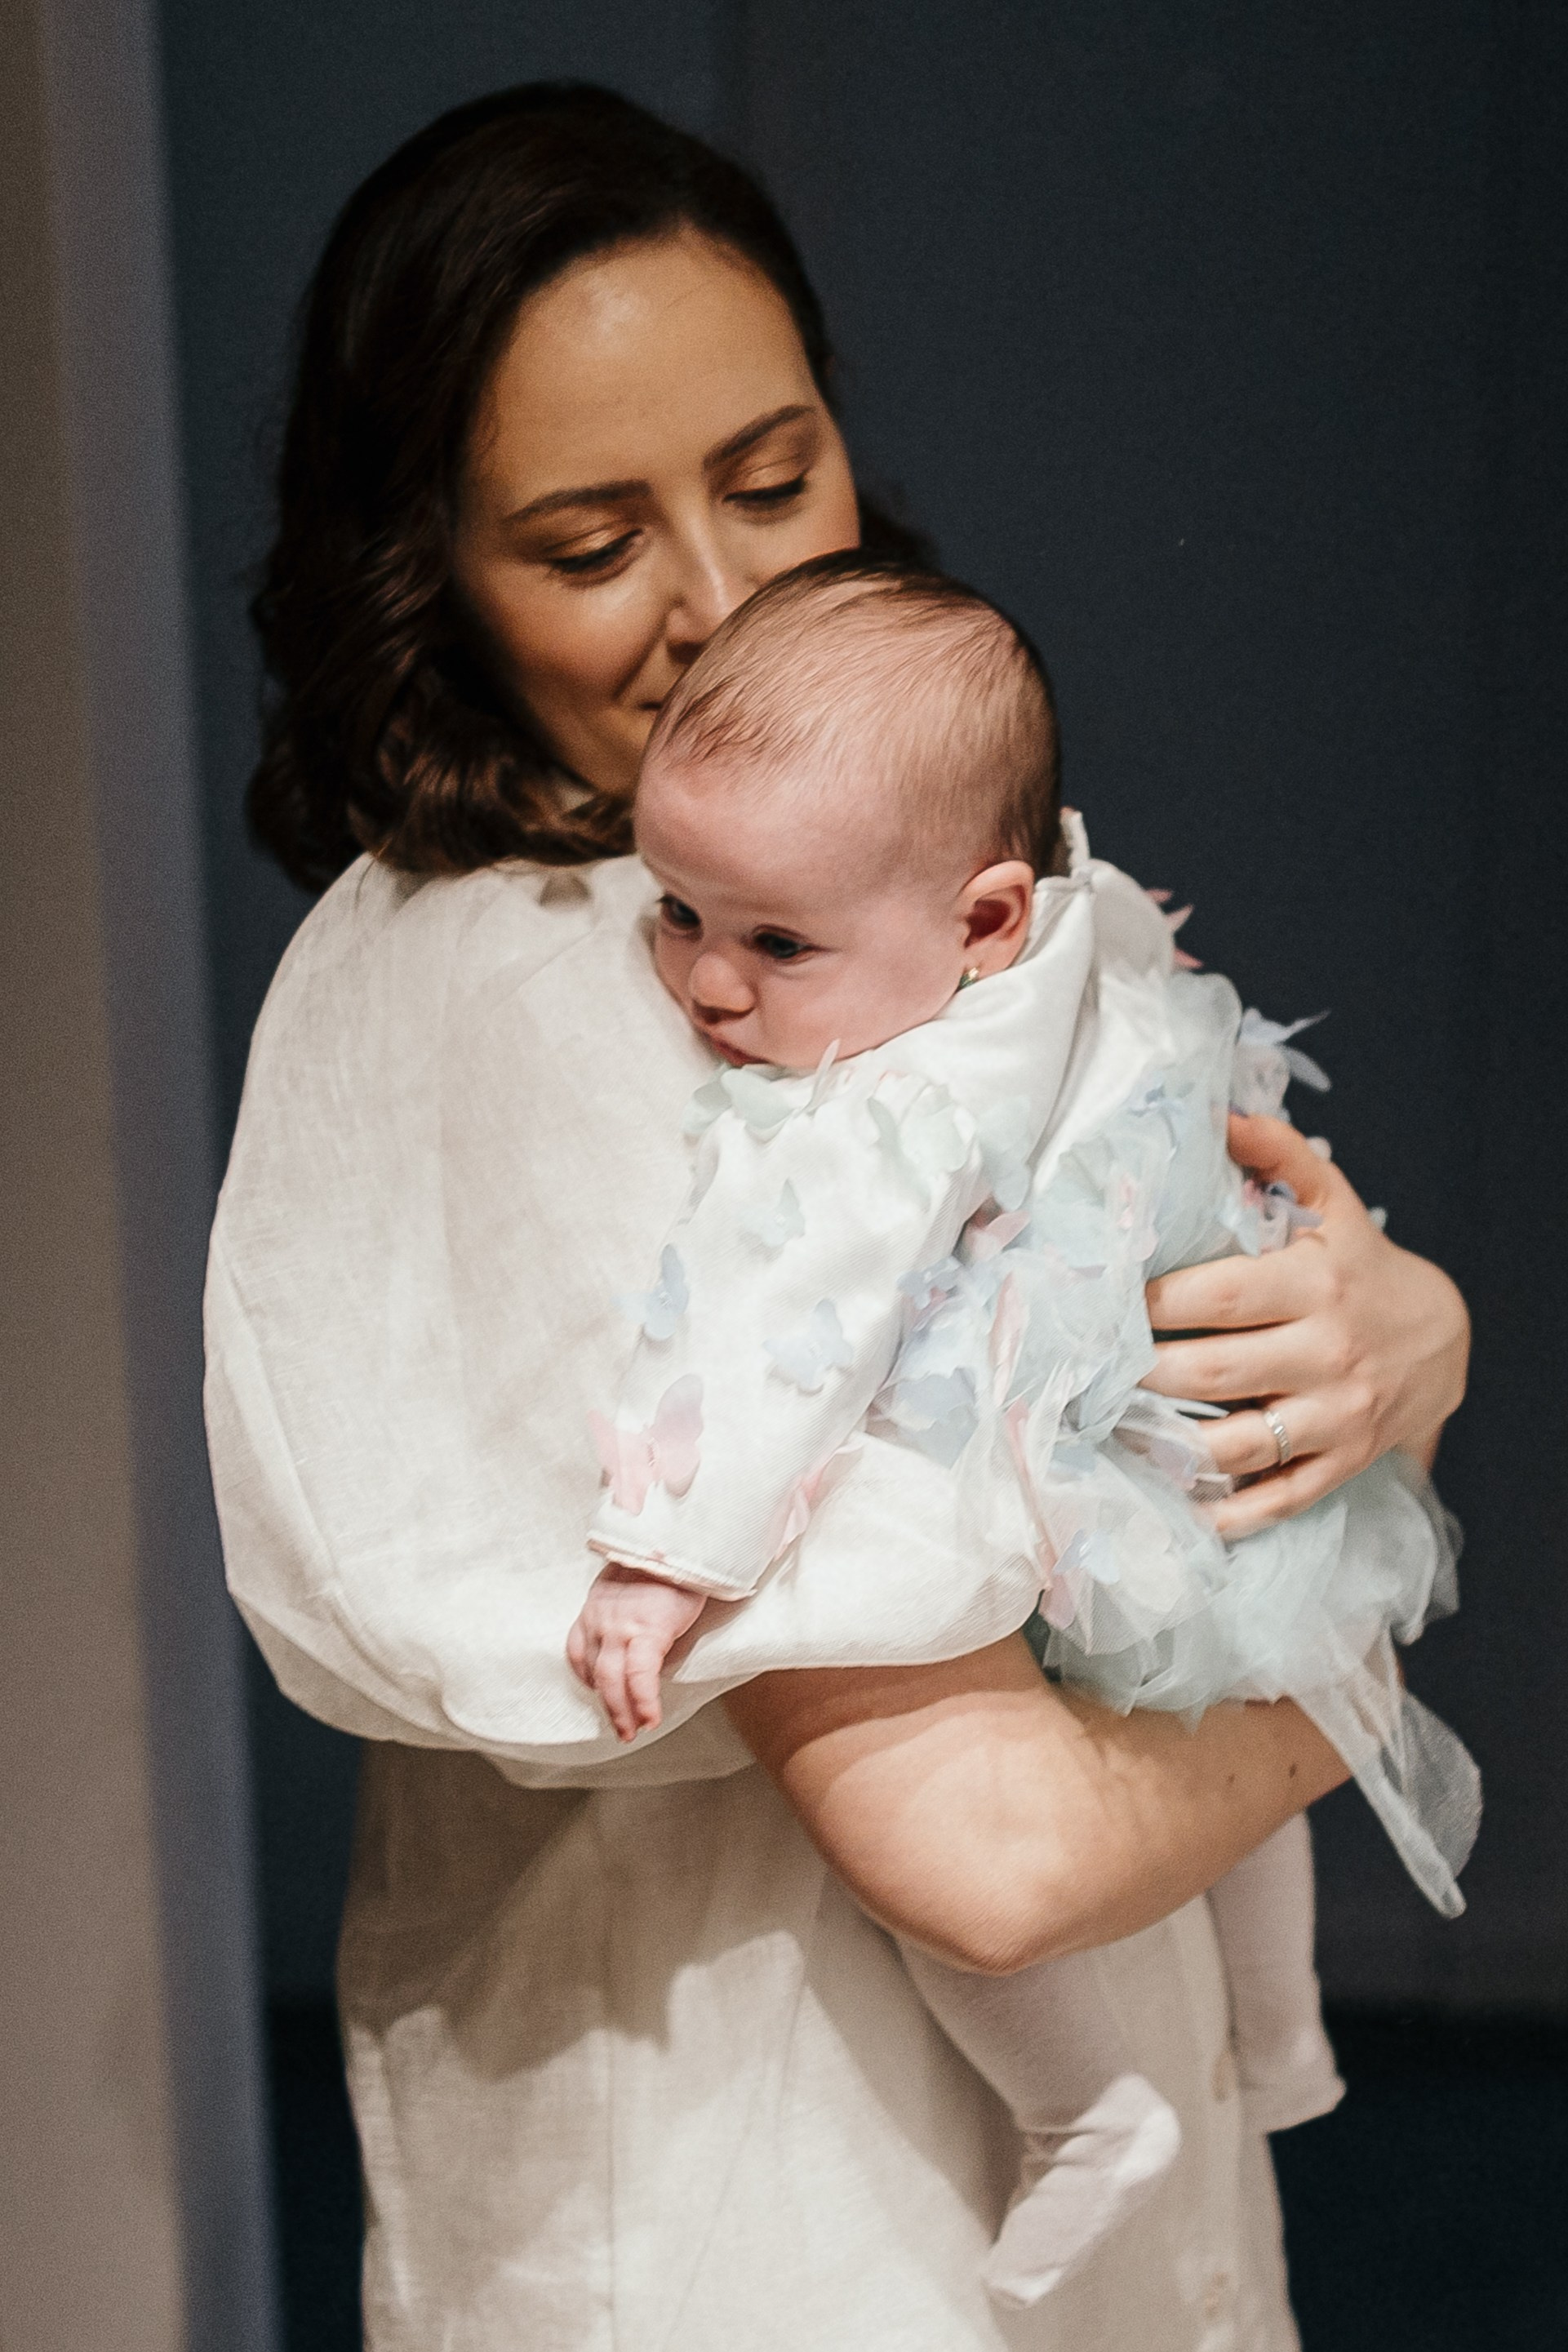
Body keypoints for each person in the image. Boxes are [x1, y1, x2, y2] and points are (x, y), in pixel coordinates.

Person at [206, 83, 1471, 2350]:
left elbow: (1186, 1258)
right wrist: (1355, 1614)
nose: (724, 602)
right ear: (423, 571)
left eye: (774, 475)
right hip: (756, 2214)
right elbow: (994, 1847)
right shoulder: (570, 997)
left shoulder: (857, 897)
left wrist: (1393, 1325)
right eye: (589, 544)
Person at [564, 554, 1475, 2305]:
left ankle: (1084, 2113)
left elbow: (783, 1337)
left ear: (979, 922)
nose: (704, 981)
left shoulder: (893, 1106)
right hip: (1197, 1451)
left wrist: (662, 1562)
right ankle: (1279, 2044)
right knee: (1227, 1695)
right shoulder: (1073, 917)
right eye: (673, 908)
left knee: (951, 1826)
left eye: (770, 940)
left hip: (1089, 1446)